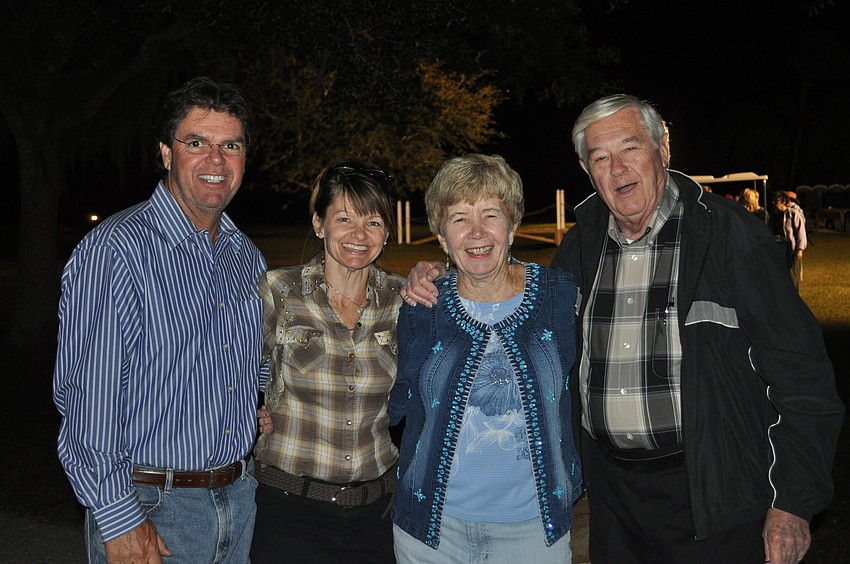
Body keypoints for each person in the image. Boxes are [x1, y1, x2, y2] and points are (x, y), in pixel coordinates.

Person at [404, 96, 843, 564]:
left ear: (663, 148)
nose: (618, 170)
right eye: (600, 158)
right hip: (613, 504)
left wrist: (793, 502)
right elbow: (507, 286)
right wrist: (438, 277)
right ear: (585, 168)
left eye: (630, 149)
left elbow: (804, 379)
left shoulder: (730, 237)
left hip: (714, 495)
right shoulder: (581, 244)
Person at [53, 77, 269, 563]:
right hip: (151, 507)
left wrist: (268, 399)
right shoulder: (117, 251)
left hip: (237, 500)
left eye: (230, 145)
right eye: (197, 143)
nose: (216, 160)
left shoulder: (244, 257)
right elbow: (89, 401)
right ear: (166, 154)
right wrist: (118, 518)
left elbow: (253, 363)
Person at [390, 154, 581, 563]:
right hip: (431, 534)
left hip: (534, 532)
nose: (476, 232)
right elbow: (391, 398)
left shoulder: (560, 296)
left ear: (512, 226)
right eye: (459, 218)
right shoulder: (421, 306)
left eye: (490, 214)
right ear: (442, 238)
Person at [250, 160, 404, 563]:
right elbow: (224, 369)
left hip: (376, 514)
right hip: (290, 511)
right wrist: (248, 414)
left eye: (373, 222)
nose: (359, 235)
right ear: (320, 224)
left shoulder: (402, 300)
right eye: (344, 218)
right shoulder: (278, 291)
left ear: (387, 232)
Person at [771, 190, 807, 290]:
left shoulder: (793, 214)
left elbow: (801, 232)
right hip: (780, 251)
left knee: (793, 277)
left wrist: (799, 250)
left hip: (792, 251)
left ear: (784, 202)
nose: (774, 203)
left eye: (776, 201)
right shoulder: (775, 216)